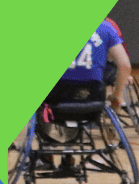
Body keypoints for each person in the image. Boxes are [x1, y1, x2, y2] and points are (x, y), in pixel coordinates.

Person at [37, 18, 132, 173]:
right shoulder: (107, 27)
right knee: (80, 100)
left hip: (58, 94)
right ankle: (69, 154)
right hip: (93, 96)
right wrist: (117, 95)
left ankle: (47, 153)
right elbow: (125, 65)